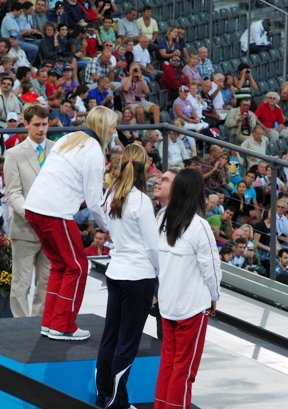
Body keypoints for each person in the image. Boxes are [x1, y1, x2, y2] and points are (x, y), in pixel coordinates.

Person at [24, 106, 115, 340]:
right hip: (55, 212)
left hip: (35, 207)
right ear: (104, 127)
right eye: (113, 126)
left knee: (61, 265)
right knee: (77, 266)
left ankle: (50, 322)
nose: (115, 131)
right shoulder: (94, 151)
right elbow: (95, 201)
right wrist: (109, 227)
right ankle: (63, 325)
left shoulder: (68, 138)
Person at [96, 144, 159, 409]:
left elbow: (105, 223)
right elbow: (153, 245)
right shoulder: (142, 200)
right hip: (139, 276)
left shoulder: (111, 193)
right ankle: (117, 401)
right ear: (145, 167)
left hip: (117, 272)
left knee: (111, 336)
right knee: (128, 341)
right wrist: (160, 277)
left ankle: (104, 396)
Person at [155, 168, 222, 409]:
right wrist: (214, 297)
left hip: (168, 304)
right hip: (192, 308)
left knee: (168, 364)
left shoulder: (162, 219)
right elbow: (212, 268)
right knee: (184, 370)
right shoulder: (199, 226)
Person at [5, 105, 53, 319]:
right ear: (26, 124)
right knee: (20, 284)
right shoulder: (14, 154)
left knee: (46, 283)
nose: (41, 129)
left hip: (52, 229)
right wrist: (32, 214)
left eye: (44, 124)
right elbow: (13, 192)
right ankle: (20, 326)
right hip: (26, 228)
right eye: (36, 125)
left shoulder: (58, 149)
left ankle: (40, 325)